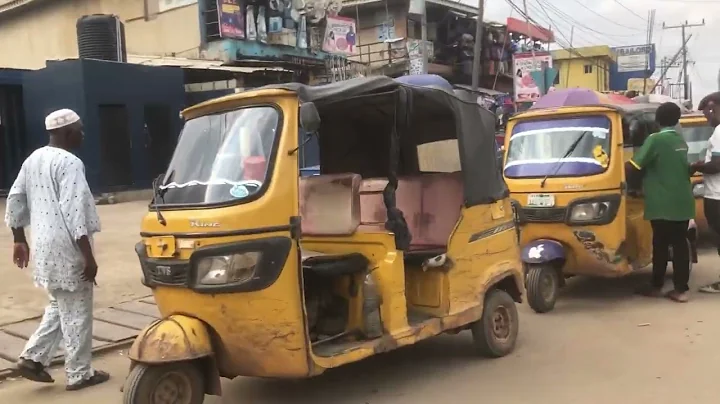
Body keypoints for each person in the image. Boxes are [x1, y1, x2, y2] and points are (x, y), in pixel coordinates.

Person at [4, 109, 110, 390]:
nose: (83, 134)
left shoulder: (33, 159)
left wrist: (19, 238)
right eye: (80, 129)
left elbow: (15, 198)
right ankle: (79, 373)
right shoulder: (70, 163)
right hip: (68, 247)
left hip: (43, 244)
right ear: (67, 133)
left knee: (60, 302)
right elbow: (75, 211)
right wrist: (88, 257)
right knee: (78, 312)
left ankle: (33, 358)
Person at [626, 102, 695, 302]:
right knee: (680, 244)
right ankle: (681, 290)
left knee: (661, 244)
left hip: (662, 202)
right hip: (683, 201)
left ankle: (656, 285)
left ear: (657, 119)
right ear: (677, 120)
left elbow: (635, 166)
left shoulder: (655, 139)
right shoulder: (680, 141)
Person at [691, 92, 720, 293]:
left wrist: (698, 166)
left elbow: (718, 164)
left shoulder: (719, 132)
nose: (707, 116)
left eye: (710, 110)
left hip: (717, 196)